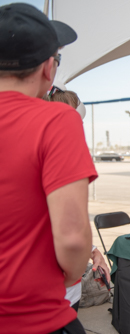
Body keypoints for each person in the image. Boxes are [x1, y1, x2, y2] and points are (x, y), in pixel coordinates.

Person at [0, 3, 97, 333]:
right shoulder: (57, 120)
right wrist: (71, 274)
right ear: (47, 68)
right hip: (33, 317)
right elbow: (71, 237)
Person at [43, 86, 111, 311]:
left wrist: (93, 251)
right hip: (55, 288)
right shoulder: (63, 159)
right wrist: (74, 272)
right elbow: (71, 234)